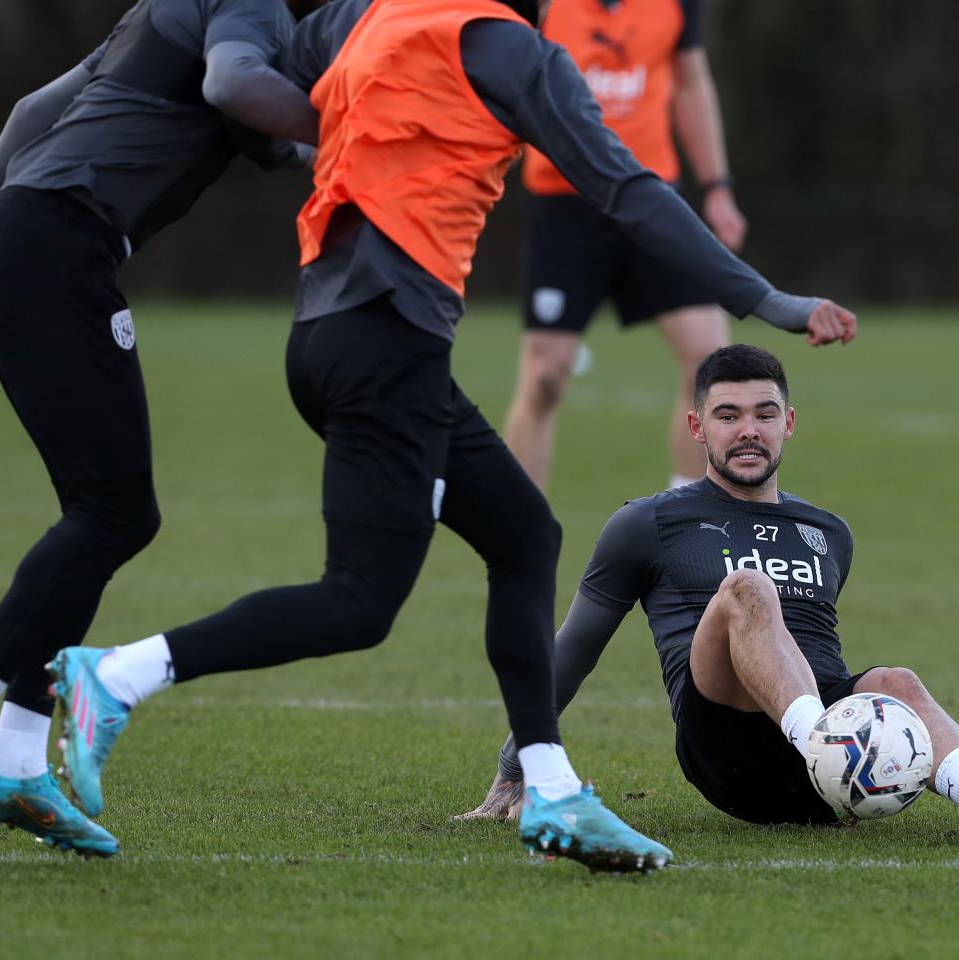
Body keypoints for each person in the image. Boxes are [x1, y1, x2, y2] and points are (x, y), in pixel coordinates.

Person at [43, 0, 856, 874]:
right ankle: (117, 677)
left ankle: (546, 787)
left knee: (523, 533)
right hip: (385, 345)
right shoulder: (514, 53)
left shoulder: (365, 17)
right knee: (358, 601)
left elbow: (240, 85)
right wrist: (766, 300)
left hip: (334, 336)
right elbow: (628, 191)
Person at [0, 0, 319, 857]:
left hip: (19, 242)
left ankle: (14, 760)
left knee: (104, 510)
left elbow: (31, 112)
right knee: (113, 513)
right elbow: (237, 87)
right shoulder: (248, 10)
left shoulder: (167, 10)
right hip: (52, 248)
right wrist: (369, 119)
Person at [460, 344, 959, 844]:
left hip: (813, 772)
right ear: (697, 426)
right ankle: (826, 748)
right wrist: (518, 756)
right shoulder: (646, 524)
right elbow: (575, 648)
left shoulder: (828, 531)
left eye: (765, 414)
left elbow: (817, 654)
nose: (748, 430)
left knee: (897, 682)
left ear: (790, 423)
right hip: (723, 744)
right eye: (727, 415)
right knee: (747, 589)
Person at [503, 0, 770, 492]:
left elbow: (691, 82)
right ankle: (521, 540)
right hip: (565, 204)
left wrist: (717, 187)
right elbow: (502, 73)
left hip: (651, 199)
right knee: (545, 376)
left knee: (711, 359)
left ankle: (688, 528)